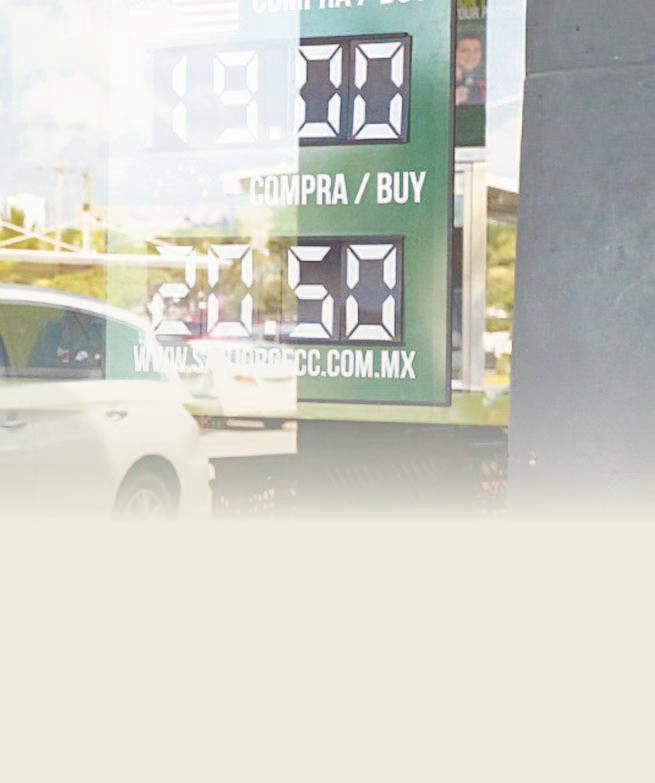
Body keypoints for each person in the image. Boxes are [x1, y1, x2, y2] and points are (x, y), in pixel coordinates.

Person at [455, 34, 486, 106]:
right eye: (465, 51)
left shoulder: (481, 84)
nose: (471, 55)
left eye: (476, 50)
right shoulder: (442, 82)